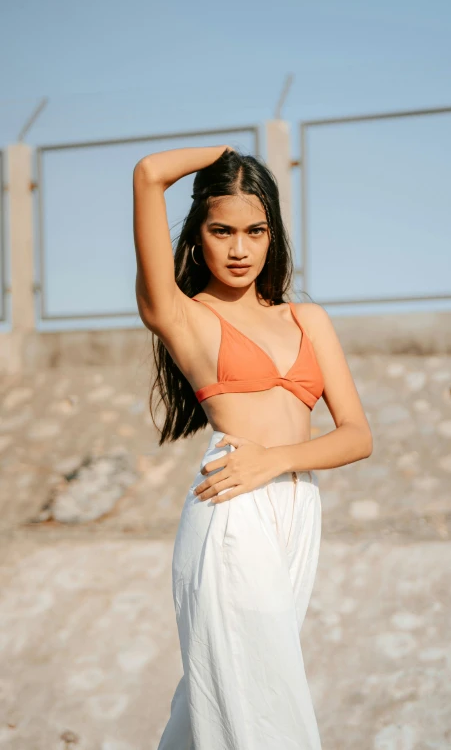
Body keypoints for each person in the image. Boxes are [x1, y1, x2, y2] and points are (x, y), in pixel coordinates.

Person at [133, 145, 373, 749]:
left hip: (295, 508)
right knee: (264, 696)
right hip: (233, 507)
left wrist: (279, 459)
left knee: (226, 691)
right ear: (199, 234)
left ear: (273, 235)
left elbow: (357, 436)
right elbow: (148, 174)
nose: (239, 249)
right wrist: (223, 153)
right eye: (222, 231)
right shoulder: (184, 316)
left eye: (255, 231)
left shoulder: (305, 319)